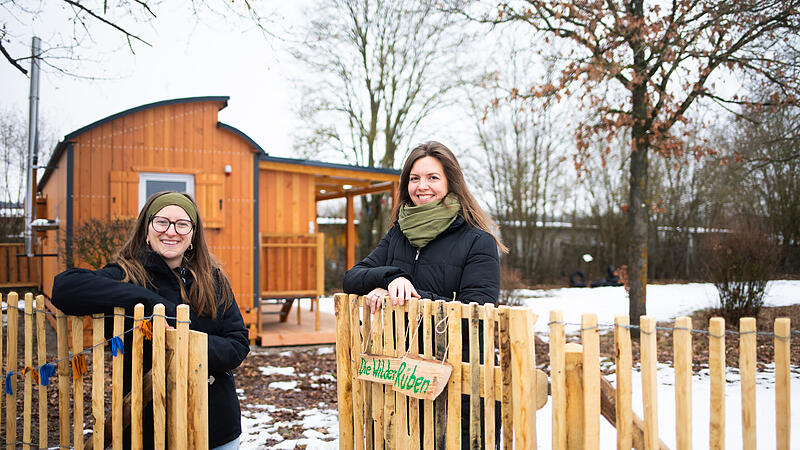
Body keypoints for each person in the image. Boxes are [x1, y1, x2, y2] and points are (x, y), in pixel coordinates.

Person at [51, 191, 249, 449]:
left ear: (192, 235)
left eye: (182, 224)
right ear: (146, 230)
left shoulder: (214, 281)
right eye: (162, 221)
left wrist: (183, 340)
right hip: (148, 430)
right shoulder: (125, 275)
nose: (171, 231)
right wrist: (148, 302)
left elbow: (237, 344)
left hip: (216, 426)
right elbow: (64, 289)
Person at [342, 141, 507, 449]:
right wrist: (389, 278)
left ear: (450, 182)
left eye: (433, 178)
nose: (422, 186)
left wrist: (408, 297)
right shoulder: (398, 235)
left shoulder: (478, 241)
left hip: (460, 379)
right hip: (404, 378)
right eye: (415, 178)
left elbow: (478, 311)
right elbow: (352, 278)